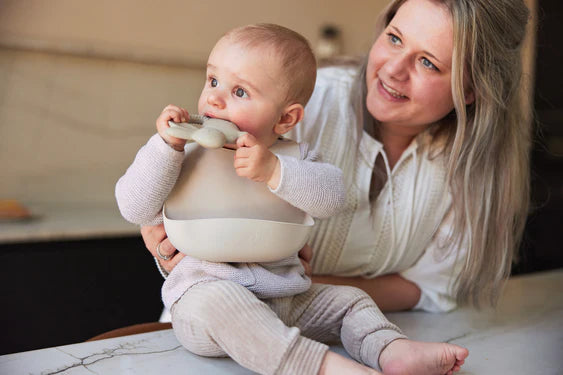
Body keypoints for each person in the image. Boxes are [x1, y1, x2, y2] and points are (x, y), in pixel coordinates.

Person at [117, 23, 469, 375]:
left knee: (351, 302)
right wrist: (165, 147)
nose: (214, 99)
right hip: (206, 302)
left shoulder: (291, 159)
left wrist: (273, 170)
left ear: (286, 118)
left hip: (288, 301)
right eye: (213, 81)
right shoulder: (185, 152)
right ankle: (323, 368)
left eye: (240, 92)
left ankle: (391, 350)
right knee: (217, 301)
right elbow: (133, 207)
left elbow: (331, 198)